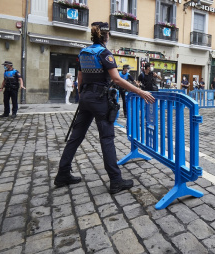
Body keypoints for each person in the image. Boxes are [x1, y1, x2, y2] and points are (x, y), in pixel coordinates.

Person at [53, 22, 155, 194]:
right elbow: (116, 79)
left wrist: (82, 96)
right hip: (100, 99)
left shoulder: (83, 52)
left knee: (75, 137)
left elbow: (80, 78)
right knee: (106, 138)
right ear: (106, 36)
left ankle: (62, 173)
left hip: (86, 98)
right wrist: (139, 91)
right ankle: (115, 180)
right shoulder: (105, 53)